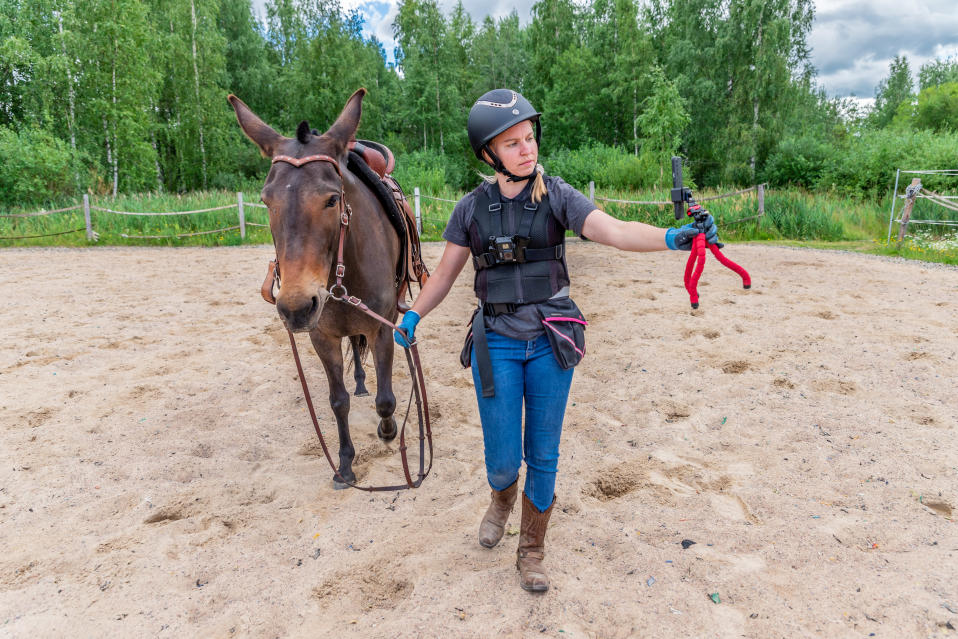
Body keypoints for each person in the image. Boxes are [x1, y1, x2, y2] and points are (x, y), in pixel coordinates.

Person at [393, 89, 719, 592]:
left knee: (543, 454)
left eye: (530, 138)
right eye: (512, 143)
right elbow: (443, 276)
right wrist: (414, 314)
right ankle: (502, 498)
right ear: (488, 154)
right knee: (503, 459)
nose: (527, 150)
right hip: (495, 342)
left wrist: (671, 237)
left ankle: (531, 548)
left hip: (551, 341)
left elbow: (612, 230)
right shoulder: (468, 210)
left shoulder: (559, 196)